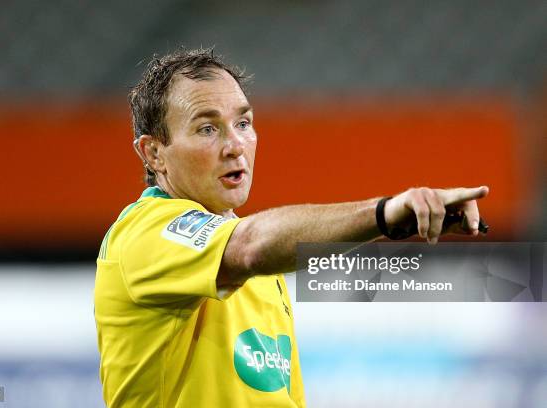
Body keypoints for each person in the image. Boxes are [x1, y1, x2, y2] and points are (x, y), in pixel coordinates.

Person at [94, 48, 489, 408]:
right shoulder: (145, 234)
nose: (236, 145)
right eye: (207, 129)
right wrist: (383, 215)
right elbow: (249, 246)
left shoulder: (258, 269)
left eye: (243, 123)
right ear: (154, 153)